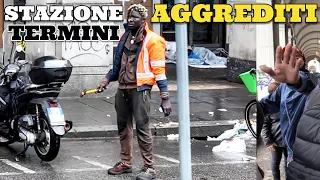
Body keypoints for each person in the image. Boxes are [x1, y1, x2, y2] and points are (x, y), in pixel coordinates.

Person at [97, 4, 171, 180]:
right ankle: (126, 163)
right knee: (123, 127)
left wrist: (165, 97)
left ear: (143, 20)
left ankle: (149, 168)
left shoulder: (153, 40)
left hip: (140, 89)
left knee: (143, 128)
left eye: (135, 17)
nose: (130, 20)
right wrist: (107, 79)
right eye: (129, 16)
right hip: (123, 88)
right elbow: (117, 64)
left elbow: (159, 70)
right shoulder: (124, 36)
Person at [259, 44, 314, 165]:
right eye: (288, 58)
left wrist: (297, 83)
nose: (293, 60)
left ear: (304, 61)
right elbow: (267, 105)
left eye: (297, 57)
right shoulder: (282, 88)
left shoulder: (314, 79)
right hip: (291, 152)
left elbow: (309, 87)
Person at [261, 82, 288, 180]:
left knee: (288, 163)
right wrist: (268, 142)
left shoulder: (286, 103)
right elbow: (264, 126)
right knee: (275, 162)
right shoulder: (267, 107)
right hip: (275, 141)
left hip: (287, 140)